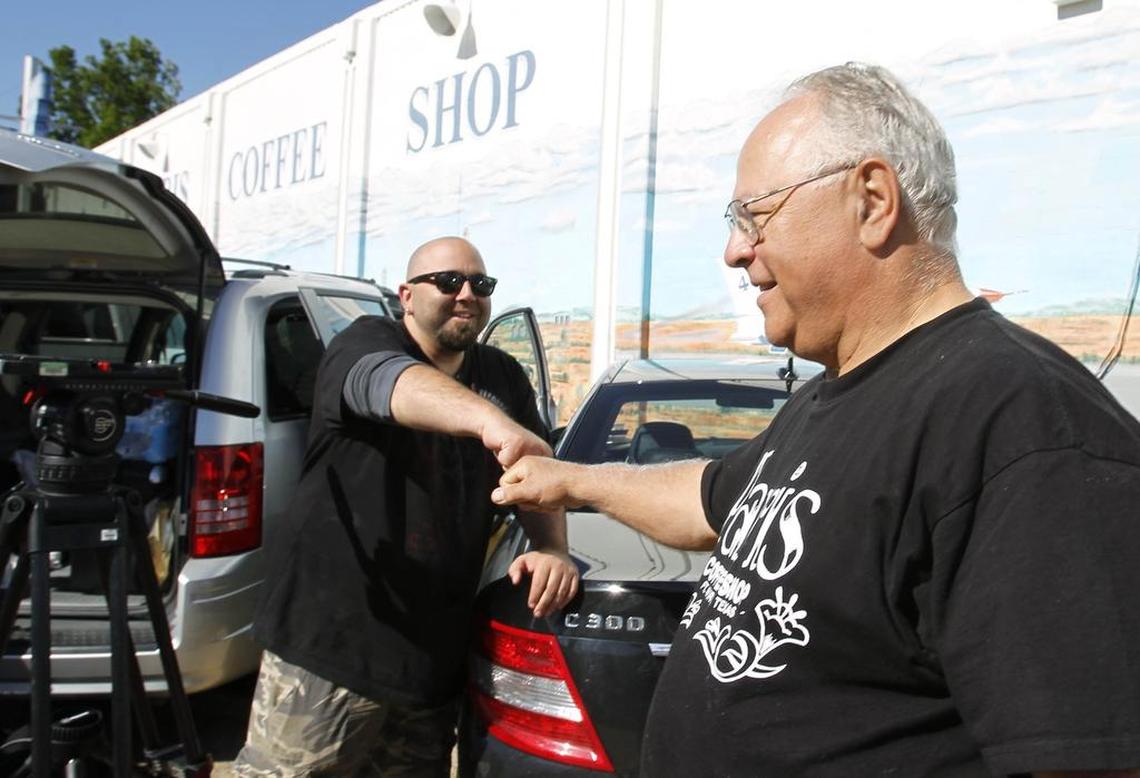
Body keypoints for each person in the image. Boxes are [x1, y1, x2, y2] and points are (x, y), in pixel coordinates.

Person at [493, 63, 1140, 776]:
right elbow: (709, 501)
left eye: (754, 216)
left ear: (871, 200)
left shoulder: (1022, 423)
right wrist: (571, 480)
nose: (735, 251)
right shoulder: (835, 394)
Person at [234, 236, 579, 776]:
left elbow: (531, 470)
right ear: (407, 296)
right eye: (448, 282)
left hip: (431, 661)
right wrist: (489, 422)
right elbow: (389, 384)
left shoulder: (501, 375)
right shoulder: (364, 343)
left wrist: (552, 546)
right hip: (331, 648)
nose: (466, 294)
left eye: (480, 284)